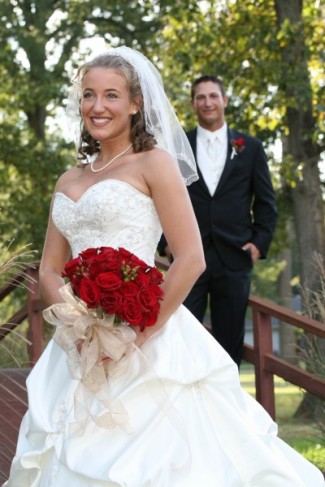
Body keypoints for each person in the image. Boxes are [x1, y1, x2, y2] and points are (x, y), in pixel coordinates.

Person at [4, 47, 324, 487]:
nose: (98, 106)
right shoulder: (68, 179)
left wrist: (134, 333)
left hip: (145, 336)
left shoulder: (154, 163)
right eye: (89, 95)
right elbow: (49, 269)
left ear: (136, 103)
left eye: (111, 95)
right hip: (77, 345)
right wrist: (82, 326)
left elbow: (190, 258)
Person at [158, 75, 278, 367]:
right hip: (187, 257)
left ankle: (227, 409)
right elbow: (159, 198)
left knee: (229, 344)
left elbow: (266, 204)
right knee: (180, 337)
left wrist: (258, 246)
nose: (207, 102)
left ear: (224, 100)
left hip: (234, 259)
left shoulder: (250, 148)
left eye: (213, 96)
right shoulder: (175, 147)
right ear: (193, 103)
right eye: (201, 97)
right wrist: (166, 244)